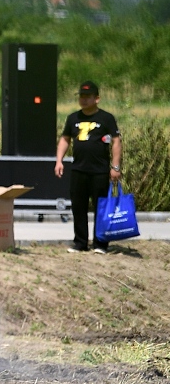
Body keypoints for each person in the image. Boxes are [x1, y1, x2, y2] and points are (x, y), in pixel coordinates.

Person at [55, 81, 122, 254]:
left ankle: (100, 244)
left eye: (88, 97)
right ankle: (80, 242)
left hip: (99, 170)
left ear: (97, 98)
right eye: (81, 97)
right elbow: (65, 139)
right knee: (79, 207)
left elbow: (116, 141)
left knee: (101, 207)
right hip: (79, 169)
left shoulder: (106, 118)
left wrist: (115, 166)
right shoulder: (73, 118)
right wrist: (59, 160)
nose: (84, 100)